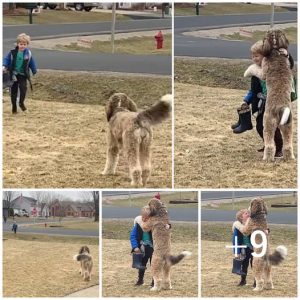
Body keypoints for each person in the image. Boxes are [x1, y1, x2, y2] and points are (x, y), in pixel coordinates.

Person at [232, 40, 295, 158]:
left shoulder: (275, 68)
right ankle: (268, 144)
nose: (254, 59)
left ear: (265, 56)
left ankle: (279, 148)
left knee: (277, 126)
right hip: (262, 103)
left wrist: (287, 54)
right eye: (252, 56)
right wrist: (246, 100)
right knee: (261, 126)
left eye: (257, 56)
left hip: (275, 102)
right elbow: (253, 90)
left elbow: (289, 64)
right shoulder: (255, 72)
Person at [3, 33, 37, 114]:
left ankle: (21, 103)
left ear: (27, 45)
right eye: (20, 44)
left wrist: (34, 70)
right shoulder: (12, 53)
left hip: (23, 75)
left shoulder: (28, 54)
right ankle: (14, 107)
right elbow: (6, 59)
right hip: (13, 74)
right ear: (17, 44)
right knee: (13, 91)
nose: (22, 46)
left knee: (23, 88)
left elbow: (32, 62)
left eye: (24, 44)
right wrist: (3, 66)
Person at [130, 206, 154, 286]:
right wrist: (135, 247)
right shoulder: (138, 223)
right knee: (141, 264)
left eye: (146, 218)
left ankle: (154, 281)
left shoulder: (154, 224)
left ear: (150, 217)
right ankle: (140, 280)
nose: (144, 219)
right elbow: (133, 236)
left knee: (154, 264)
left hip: (153, 248)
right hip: (142, 247)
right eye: (143, 217)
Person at [232, 209, 254, 287]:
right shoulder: (238, 226)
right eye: (246, 213)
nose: (248, 214)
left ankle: (256, 282)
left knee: (254, 264)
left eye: (248, 213)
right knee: (244, 264)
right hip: (244, 248)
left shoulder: (252, 224)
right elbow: (235, 240)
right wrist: (236, 251)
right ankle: (243, 280)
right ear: (241, 217)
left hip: (253, 248)